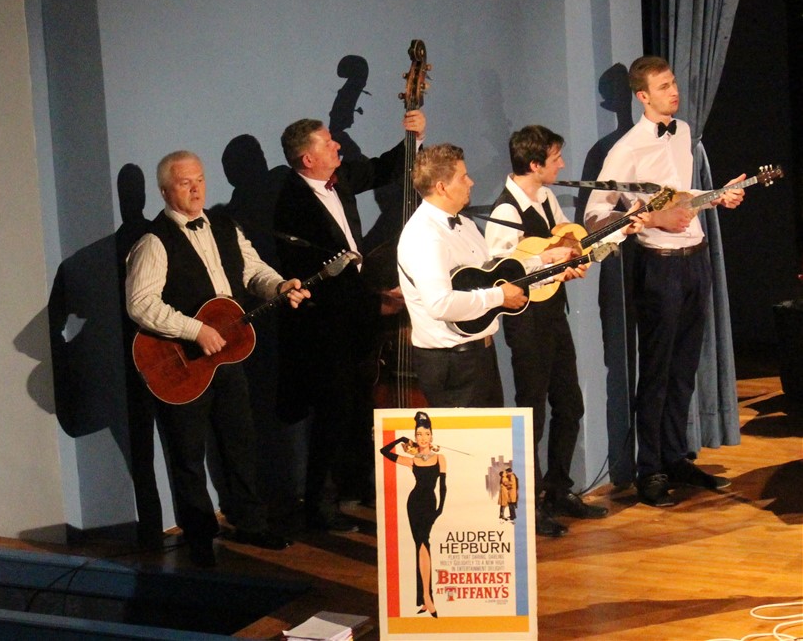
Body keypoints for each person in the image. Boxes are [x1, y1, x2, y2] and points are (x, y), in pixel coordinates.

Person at [125, 150, 310, 566]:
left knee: (240, 442)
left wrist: (280, 286)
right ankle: (199, 537)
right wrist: (195, 330)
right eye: (184, 183)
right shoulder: (154, 241)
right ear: (164, 191)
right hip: (182, 365)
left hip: (227, 359)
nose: (196, 189)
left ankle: (251, 524)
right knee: (188, 454)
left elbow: (253, 271)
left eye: (200, 180)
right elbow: (140, 304)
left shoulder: (226, 226)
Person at [584, 56, 745, 507]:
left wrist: (717, 197)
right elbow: (595, 215)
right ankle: (649, 469)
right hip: (658, 265)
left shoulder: (685, 132)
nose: (674, 92)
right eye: (663, 86)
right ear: (642, 96)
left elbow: (682, 197)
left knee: (684, 367)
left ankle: (676, 457)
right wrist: (652, 219)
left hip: (696, 260)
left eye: (673, 83)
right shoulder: (625, 150)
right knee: (656, 370)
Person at [484, 126, 644, 536]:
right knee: (532, 411)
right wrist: (549, 261)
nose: (562, 165)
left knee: (570, 404)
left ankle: (558, 489)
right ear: (534, 164)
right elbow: (502, 270)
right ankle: (530, 502)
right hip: (527, 321)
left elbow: (572, 245)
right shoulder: (506, 212)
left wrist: (618, 230)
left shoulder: (546, 198)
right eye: (555, 159)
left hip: (554, 314)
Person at [274, 110, 425, 533]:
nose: (337, 145)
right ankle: (320, 505)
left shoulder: (338, 179)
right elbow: (317, 280)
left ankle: (356, 486)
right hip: (326, 329)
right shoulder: (292, 207)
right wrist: (377, 303)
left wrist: (413, 137)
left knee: (359, 408)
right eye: (327, 143)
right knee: (333, 413)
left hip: (356, 316)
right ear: (308, 159)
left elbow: (382, 168)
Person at [396, 143, 527, 408]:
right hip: (453, 365)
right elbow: (440, 304)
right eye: (463, 177)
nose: (471, 182)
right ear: (442, 187)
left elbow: (493, 274)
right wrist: (499, 296)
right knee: (467, 437)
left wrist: (547, 263)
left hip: (481, 355)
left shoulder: (464, 223)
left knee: (493, 435)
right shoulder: (424, 235)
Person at [380, 411, 446, 618]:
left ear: (431, 436)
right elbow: (384, 451)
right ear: (415, 437)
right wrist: (400, 439)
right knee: (421, 544)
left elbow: (443, 486)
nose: (422, 437)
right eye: (418, 434)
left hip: (430, 503)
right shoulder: (412, 460)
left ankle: (426, 597)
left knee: (424, 544)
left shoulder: (440, 458)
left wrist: (440, 509)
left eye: (426, 433)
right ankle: (426, 598)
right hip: (414, 503)